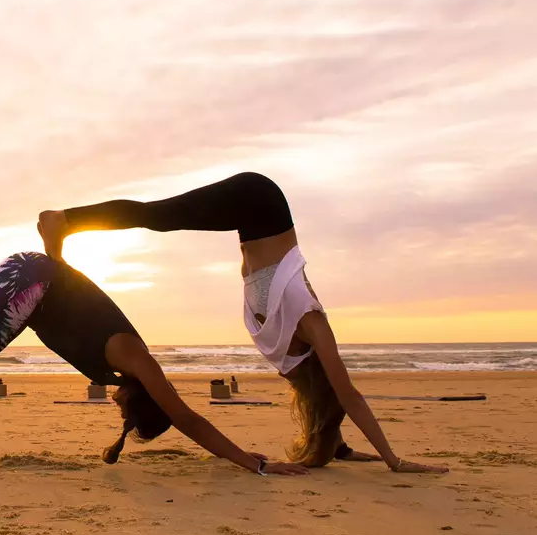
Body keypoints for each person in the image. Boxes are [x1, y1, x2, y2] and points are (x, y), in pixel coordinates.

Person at [37, 171, 448, 473]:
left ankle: (68, 221)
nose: (301, 394)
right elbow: (350, 395)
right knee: (159, 216)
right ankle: (65, 219)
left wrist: (337, 445)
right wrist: (393, 460)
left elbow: (330, 399)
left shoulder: (293, 360)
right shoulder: (312, 324)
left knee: (160, 217)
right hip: (261, 200)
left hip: (253, 233)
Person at [0, 250, 308, 476]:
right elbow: (186, 416)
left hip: (35, 286)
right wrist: (252, 462)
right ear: (142, 398)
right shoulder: (137, 360)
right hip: (30, 280)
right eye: (126, 411)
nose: (116, 406)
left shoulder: (123, 367)